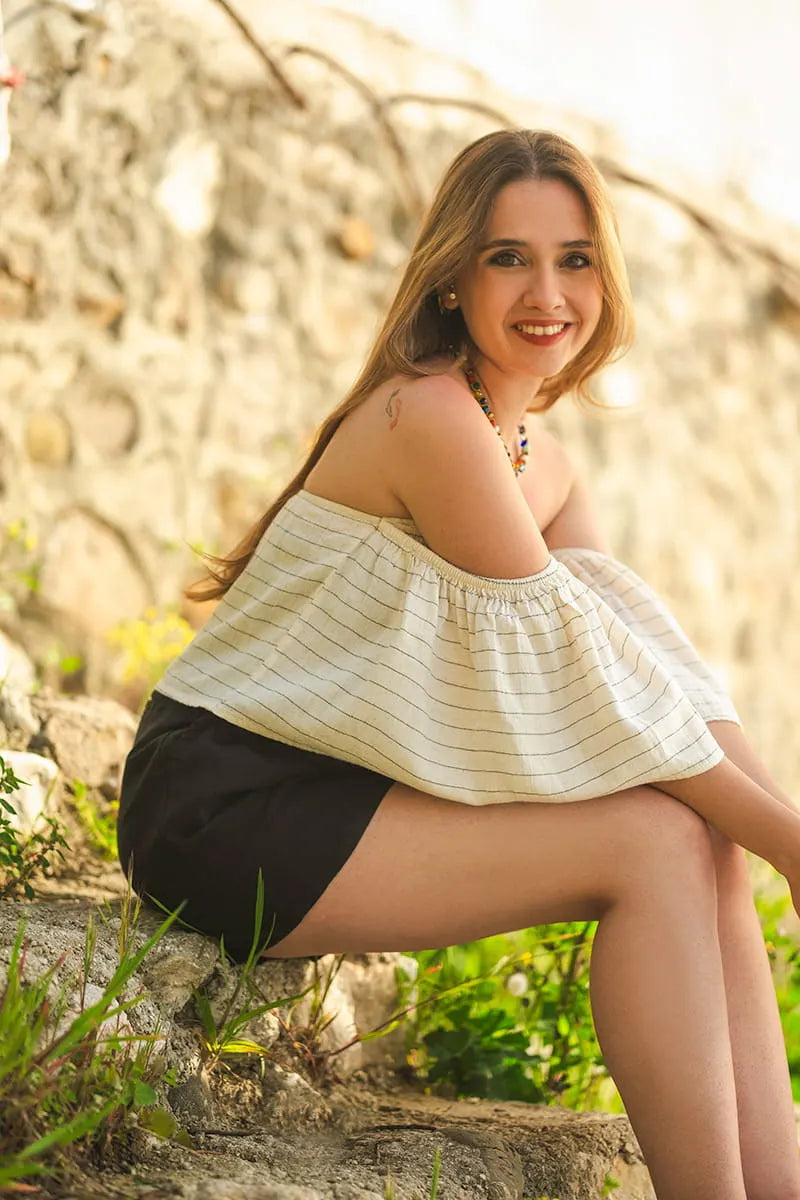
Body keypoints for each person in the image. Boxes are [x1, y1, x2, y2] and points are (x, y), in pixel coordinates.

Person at [117, 129, 800, 1199]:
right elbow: (587, 685)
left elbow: (646, 672)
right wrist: (788, 845)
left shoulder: (544, 463)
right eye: (507, 257)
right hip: (225, 799)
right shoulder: (428, 417)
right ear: (450, 278)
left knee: (699, 834)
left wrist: (780, 830)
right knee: (659, 842)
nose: (547, 293)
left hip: (345, 792)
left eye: (575, 259)